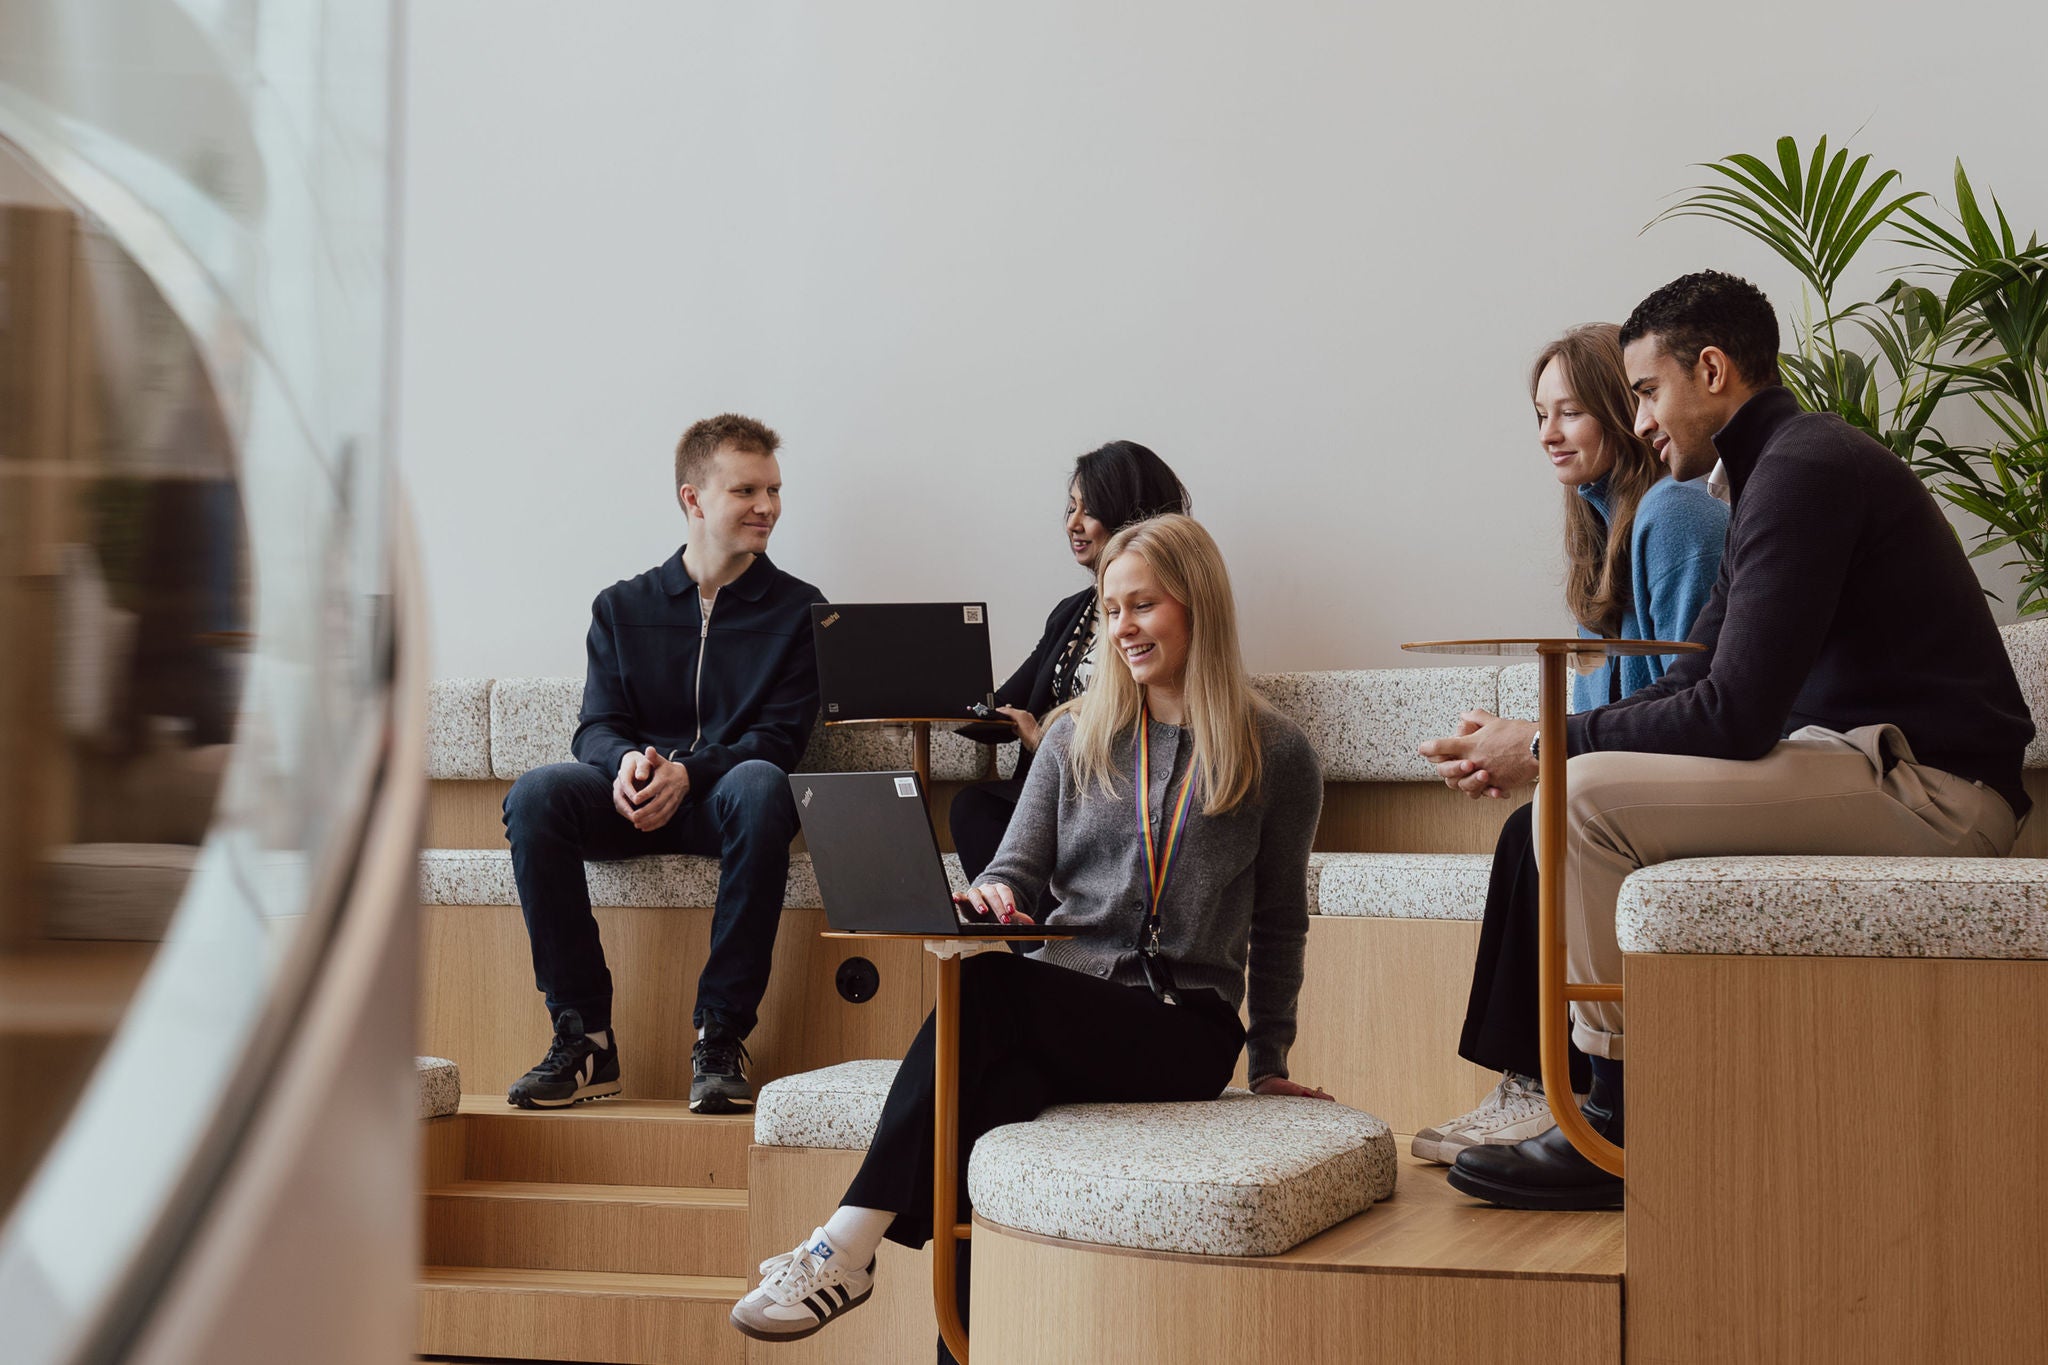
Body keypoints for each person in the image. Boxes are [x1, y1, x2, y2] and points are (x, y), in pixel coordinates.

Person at [1420, 271, 2034, 1210]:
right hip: (1866, 766)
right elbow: (1690, 681)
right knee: (1576, 787)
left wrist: (1545, 752)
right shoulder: (1767, 477)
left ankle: (1616, 1125)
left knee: (1578, 801)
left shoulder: (1806, 467)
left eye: (1644, 390)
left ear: (1712, 370)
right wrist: (1544, 737)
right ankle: (1605, 1104)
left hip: (1936, 793)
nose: (1640, 417)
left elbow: (1734, 714)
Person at [730, 513, 1330, 1346]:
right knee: (990, 1107)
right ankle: (945, 1337)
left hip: (1182, 1027)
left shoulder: (1278, 752)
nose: (1123, 628)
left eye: (1144, 605)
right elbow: (1013, 868)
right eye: (1112, 609)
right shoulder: (1074, 737)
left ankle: (845, 1243)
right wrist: (992, 900)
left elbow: (1280, 921)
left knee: (991, 986)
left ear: (1198, 606)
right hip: (1072, 1004)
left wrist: (1270, 1062)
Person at [1410, 324, 1727, 1166]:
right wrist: (1506, 749)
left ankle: (1542, 1083)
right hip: (1643, 780)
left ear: (1624, 411)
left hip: (1717, 773)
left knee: (1533, 827)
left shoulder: (1676, 515)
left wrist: (1540, 748)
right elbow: (1600, 724)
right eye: (1539, 414)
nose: (1549, 433)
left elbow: (1692, 699)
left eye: (1572, 410)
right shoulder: (1602, 539)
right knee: (1533, 821)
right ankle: (1542, 1082)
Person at [500, 413, 826, 1114]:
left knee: (765, 784)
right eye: (746, 490)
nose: (767, 506)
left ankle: (720, 1033)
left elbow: (779, 738)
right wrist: (624, 764)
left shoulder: (802, 612)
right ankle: (583, 1034)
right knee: (535, 796)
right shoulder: (621, 607)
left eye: (774, 489)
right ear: (693, 498)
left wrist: (692, 772)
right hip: (633, 799)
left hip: (724, 805)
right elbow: (596, 725)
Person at [949, 440, 1191, 888]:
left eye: (1089, 510)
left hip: (1123, 792)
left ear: (1128, 516)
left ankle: (1048, 955)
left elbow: (1160, 739)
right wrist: (925, 684)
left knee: (981, 810)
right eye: (1070, 508)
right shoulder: (1072, 613)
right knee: (976, 807)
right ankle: (1041, 954)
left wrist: (1045, 741)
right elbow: (996, 704)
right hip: (1056, 791)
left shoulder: (1174, 618)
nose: (1073, 525)